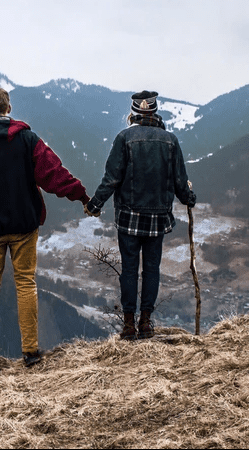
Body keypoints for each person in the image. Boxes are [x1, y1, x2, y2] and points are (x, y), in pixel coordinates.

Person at [0, 87, 90, 370]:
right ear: (8, 108)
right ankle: (30, 352)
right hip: (24, 225)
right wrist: (81, 195)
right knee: (25, 283)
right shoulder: (27, 139)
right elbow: (54, 174)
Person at [85, 91, 196, 341]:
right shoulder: (170, 140)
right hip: (158, 216)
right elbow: (180, 181)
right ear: (154, 112)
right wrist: (189, 198)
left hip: (129, 216)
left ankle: (128, 325)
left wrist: (94, 204)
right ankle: (146, 322)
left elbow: (112, 178)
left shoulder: (124, 138)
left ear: (134, 113)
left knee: (129, 270)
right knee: (152, 270)